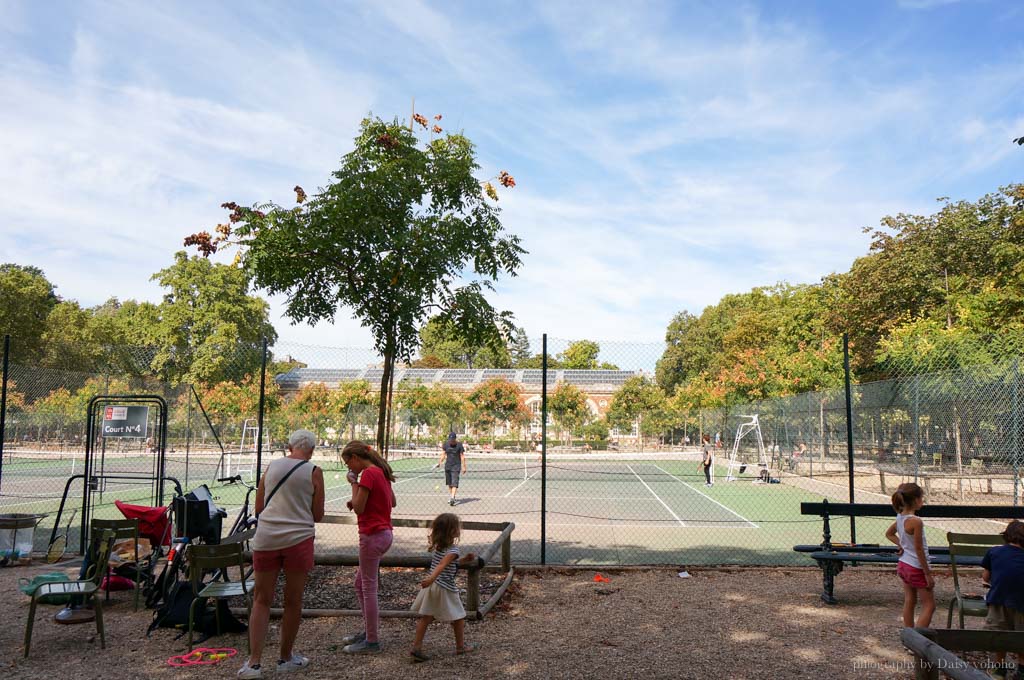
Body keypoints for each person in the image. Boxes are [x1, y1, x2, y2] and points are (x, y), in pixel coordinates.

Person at [238, 429, 325, 680]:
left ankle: (254, 663)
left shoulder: (272, 467)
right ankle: (286, 657)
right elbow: (317, 515)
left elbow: (259, 507)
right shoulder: (314, 471)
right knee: (293, 601)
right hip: (298, 539)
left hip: (267, 538)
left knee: (261, 599)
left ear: (290, 447)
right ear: (311, 450)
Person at [340, 441, 396, 654]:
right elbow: (391, 501)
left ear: (355, 458)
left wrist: (354, 484)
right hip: (384, 534)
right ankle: (368, 630)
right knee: (360, 584)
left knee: (368, 587)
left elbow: (359, 508)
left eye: (348, 464)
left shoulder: (368, 474)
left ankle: (371, 641)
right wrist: (359, 498)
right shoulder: (380, 471)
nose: (349, 469)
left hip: (372, 535)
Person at [409, 513, 480, 662]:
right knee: (459, 616)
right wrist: (431, 578)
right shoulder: (453, 550)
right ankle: (460, 647)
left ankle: (416, 647)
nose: (460, 528)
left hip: (434, 586)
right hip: (444, 587)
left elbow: (448, 564)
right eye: (457, 526)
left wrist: (464, 560)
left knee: (426, 617)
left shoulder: (441, 547)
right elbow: (441, 566)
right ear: (451, 530)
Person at [884, 482, 934, 628]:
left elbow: (889, 534)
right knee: (929, 605)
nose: (922, 500)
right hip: (916, 567)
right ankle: (917, 640)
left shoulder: (900, 517)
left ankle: (908, 636)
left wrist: (902, 545)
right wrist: (927, 573)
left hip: (904, 564)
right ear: (916, 500)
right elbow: (919, 549)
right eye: (921, 497)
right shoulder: (916, 521)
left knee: (909, 600)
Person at [981, 520, 1024, 678]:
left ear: (1006, 536)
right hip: (1022, 603)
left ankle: (999, 666)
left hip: (998, 600)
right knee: (1022, 634)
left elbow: (985, 577)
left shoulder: (994, 552)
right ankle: (1022, 668)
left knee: (999, 632)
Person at [437, 432, 467, 507]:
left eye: (452, 440)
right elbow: (443, 454)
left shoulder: (459, 445)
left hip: (456, 466)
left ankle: (452, 497)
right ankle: (452, 497)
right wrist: (440, 462)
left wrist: (464, 466)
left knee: (454, 483)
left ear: (455, 439)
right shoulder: (446, 444)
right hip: (448, 466)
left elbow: (462, 456)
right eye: (450, 440)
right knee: (449, 483)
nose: (451, 441)